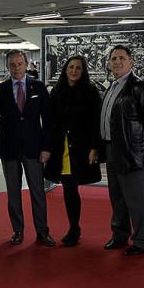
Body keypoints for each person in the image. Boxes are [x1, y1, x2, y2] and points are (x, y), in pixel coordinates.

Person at [100, 45, 144, 256]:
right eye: (113, 58)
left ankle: (142, 240)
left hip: (133, 153)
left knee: (137, 199)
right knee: (117, 197)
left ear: (131, 62)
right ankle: (119, 235)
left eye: (121, 58)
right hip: (112, 150)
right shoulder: (112, 86)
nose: (117, 62)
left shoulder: (140, 88)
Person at [0, 49, 55, 247]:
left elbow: (48, 120)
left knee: (38, 191)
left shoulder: (38, 87)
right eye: (12, 64)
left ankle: (42, 231)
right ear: (7, 66)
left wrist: (46, 148)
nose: (16, 68)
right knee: (13, 193)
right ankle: (18, 231)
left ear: (26, 64)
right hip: (9, 149)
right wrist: (6, 128)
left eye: (20, 64)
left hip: (34, 149)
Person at [44, 56, 103, 247]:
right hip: (61, 147)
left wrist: (95, 148)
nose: (74, 71)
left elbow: (96, 122)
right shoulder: (57, 91)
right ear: (65, 69)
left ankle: (74, 227)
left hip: (81, 148)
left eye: (78, 68)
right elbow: (50, 122)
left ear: (83, 70)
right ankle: (74, 227)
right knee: (69, 187)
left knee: (73, 186)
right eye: (71, 67)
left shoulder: (91, 91)